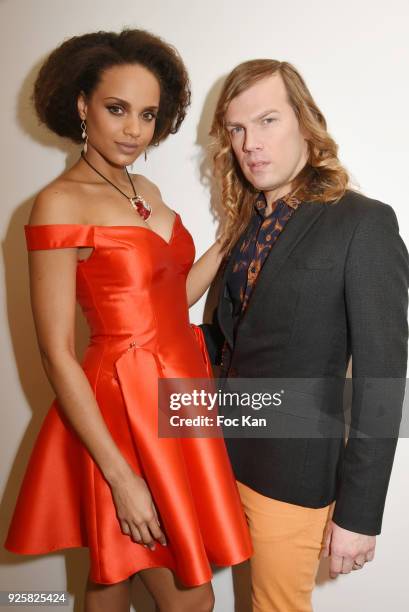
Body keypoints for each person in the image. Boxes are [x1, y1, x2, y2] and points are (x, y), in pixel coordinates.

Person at [4, 29, 252, 612]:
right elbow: (56, 353)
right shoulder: (59, 201)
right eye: (117, 109)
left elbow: (166, 303)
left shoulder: (147, 188)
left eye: (147, 114)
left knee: (115, 572)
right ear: (81, 104)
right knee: (189, 598)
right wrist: (120, 477)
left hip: (177, 397)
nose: (134, 130)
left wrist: (224, 246)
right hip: (120, 409)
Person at [201, 59, 409, 611]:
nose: (251, 143)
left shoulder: (362, 223)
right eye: (238, 129)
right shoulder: (245, 225)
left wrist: (359, 516)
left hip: (291, 478)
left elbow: (382, 381)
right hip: (216, 457)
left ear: (305, 124)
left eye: (268, 121)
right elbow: (225, 343)